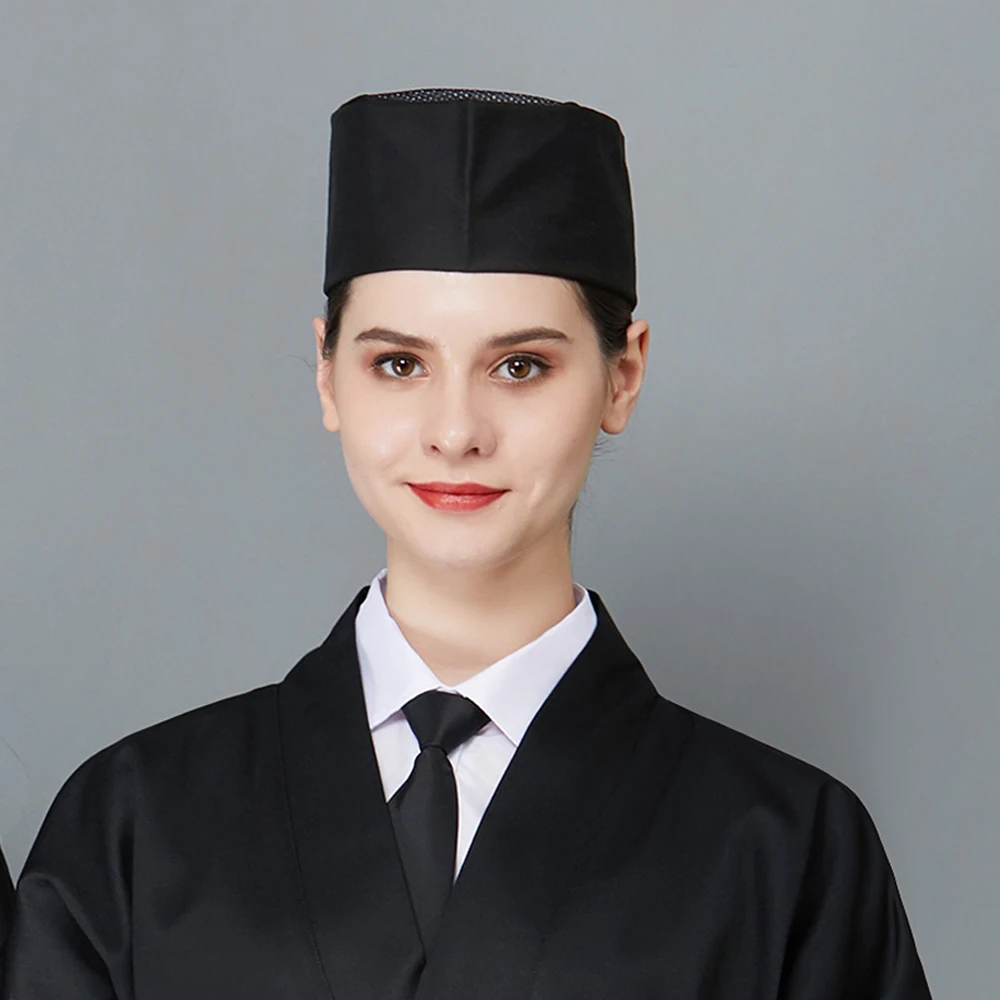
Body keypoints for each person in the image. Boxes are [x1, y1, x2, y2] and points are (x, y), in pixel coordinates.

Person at [1, 89, 932, 999]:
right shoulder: (136, 821)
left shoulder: (787, 850)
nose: (455, 430)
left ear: (624, 374)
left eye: (520, 366)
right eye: (397, 364)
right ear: (327, 373)